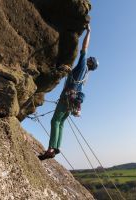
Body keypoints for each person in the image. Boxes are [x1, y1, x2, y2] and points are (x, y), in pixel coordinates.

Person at [39, 24, 99, 160]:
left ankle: (50, 149)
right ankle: (57, 146)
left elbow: (84, 48)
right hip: (72, 102)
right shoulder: (85, 77)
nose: (88, 58)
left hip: (66, 98)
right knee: (61, 123)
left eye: (90, 59)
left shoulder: (83, 66)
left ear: (90, 62)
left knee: (55, 121)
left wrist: (88, 31)